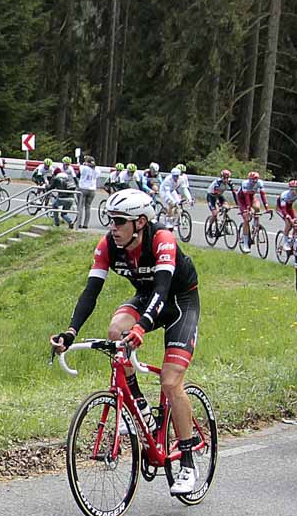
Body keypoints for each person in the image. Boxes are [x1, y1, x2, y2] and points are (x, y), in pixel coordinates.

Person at [50, 188, 206, 496]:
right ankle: (139, 407)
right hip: (147, 298)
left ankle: (188, 461)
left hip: (179, 303)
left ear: (141, 222)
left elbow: (162, 289)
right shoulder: (108, 245)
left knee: (170, 381)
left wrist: (142, 327)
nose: (113, 227)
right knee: (115, 331)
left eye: (120, 221)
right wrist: (70, 333)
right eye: (110, 220)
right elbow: (90, 292)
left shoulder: (162, 239)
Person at [235, 172, 265, 253]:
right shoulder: (245, 183)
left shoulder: (260, 183)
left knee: (257, 208)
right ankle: (245, 244)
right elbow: (246, 197)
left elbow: (263, 195)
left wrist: (267, 208)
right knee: (246, 218)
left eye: (255, 180)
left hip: (251, 197)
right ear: (249, 179)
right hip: (242, 199)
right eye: (252, 180)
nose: (254, 181)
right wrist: (248, 209)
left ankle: (255, 225)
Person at [77, 156, 100, 228]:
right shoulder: (97, 170)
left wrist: (84, 164)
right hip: (92, 189)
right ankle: (85, 224)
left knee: (80, 206)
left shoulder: (84, 168)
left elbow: (78, 174)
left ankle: (79, 223)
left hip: (83, 188)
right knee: (88, 207)